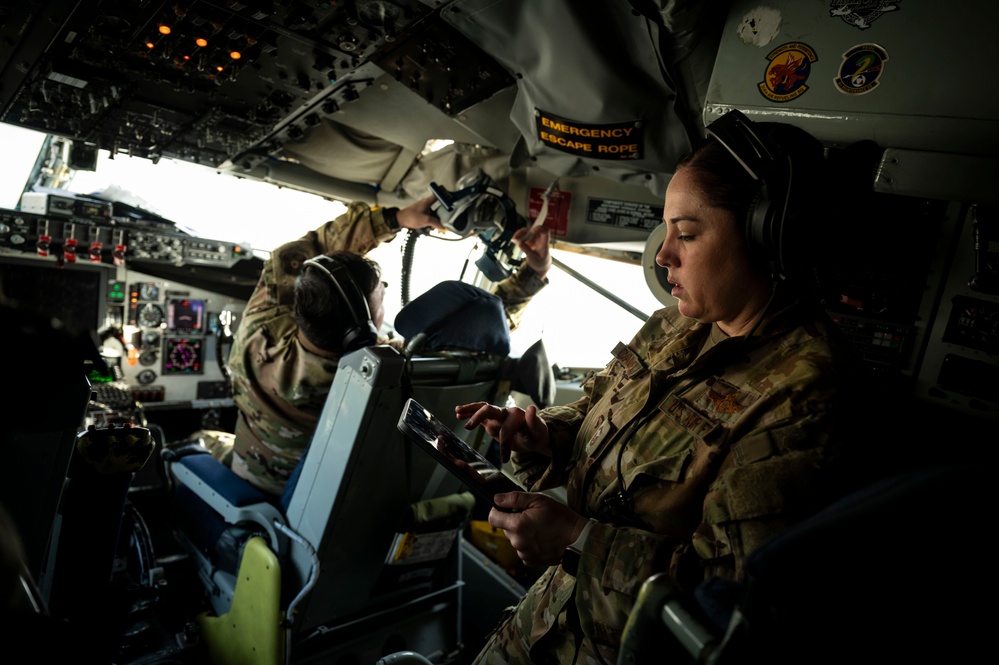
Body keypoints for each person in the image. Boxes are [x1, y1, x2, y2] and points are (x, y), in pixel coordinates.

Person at [455, 111, 862, 664]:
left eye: (687, 234)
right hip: (545, 618)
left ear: (767, 236)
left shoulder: (806, 393)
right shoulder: (677, 323)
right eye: (663, 231)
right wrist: (543, 435)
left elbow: (726, 598)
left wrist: (576, 540)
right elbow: (601, 407)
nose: (662, 255)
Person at [216, 193, 552, 497]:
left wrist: (393, 219)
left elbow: (300, 252)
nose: (387, 288)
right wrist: (533, 273)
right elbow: (485, 331)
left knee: (203, 439)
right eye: (380, 291)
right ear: (361, 326)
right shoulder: (385, 373)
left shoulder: (257, 327)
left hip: (247, 472)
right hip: (318, 495)